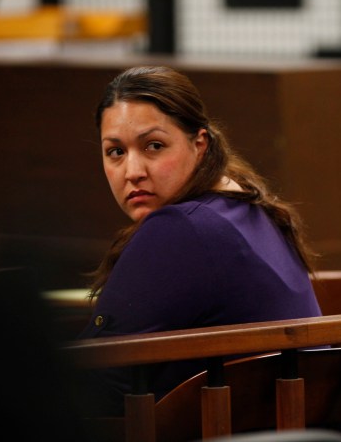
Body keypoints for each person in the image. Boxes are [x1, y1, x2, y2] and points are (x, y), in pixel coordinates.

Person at [76, 65, 323, 416]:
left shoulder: (182, 228)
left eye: (154, 146)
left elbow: (99, 375)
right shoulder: (248, 208)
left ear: (200, 144)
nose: (132, 171)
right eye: (115, 152)